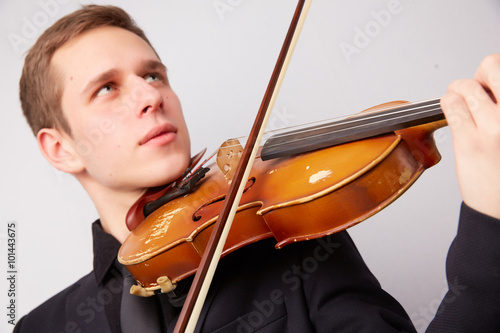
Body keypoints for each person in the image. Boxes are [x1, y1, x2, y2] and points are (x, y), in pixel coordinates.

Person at [13, 4, 500, 333]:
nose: (149, 96)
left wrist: (489, 223)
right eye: (106, 88)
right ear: (61, 149)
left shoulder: (293, 245)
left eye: (153, 74)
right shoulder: (43, 326)